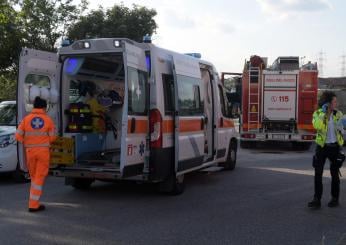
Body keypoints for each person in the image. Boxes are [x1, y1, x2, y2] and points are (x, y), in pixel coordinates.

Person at [15, 96, 57, 212]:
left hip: (30, 152)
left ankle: (34, 203)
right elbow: (53, 138)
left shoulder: (26, 119)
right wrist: (43, 142)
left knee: (34, 178)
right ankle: (33, 205)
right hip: (43, 152)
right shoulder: (48, 120)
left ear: (34, 106)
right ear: (44, 107)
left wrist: (28, 142)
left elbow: (18, 136)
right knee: (39, 178)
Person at [308, 91, 344, 209]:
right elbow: (317, 126)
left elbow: (342, 130)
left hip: (335, 147)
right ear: (328, 103)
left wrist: (343, 126)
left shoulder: (338, 114)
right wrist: (324, 114)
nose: (336, 103)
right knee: (318, 174)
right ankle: (316, 199)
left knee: (335, 175)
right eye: (334, 101)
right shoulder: (317, 113)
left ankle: (335, 199)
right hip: (322, 148)